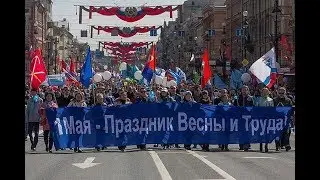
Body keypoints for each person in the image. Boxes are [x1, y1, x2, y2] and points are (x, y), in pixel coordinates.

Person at [273, 87, 293, 151]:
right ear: (277, 93)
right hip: (277, 119)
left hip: (285, 119)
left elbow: (291, 109)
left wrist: (291, 116)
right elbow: (271, 109)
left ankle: (286, 144)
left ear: (285, 93)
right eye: (280, 93)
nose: (281, 94)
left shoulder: (288, 100)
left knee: (287, 131)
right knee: (278, 132)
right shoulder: (274, 100)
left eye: (283, 93)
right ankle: (278, 145)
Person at [256, 88, 274, 152]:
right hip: (260, 118)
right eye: (263, 91)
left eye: (266, 91)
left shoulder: (270, 100)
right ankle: (261, 143)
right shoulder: (259, 99)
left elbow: (272, 109)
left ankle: (266, 145)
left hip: (268, 118)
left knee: (267, 132)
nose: (265, 93)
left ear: (268, 92)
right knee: (260, 131)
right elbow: (256, 108)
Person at [236, 85, 254, 151]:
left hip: (248, 117)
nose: (244, 91)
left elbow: (253, 107)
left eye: (246, 89)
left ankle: (246, 144)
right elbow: (235, 107)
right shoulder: (238, 98)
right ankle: (241, 145)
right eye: (243, 89)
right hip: (240, 117)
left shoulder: (250, 98)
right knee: (241, 131)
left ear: (248, 90)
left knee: (247, 131)